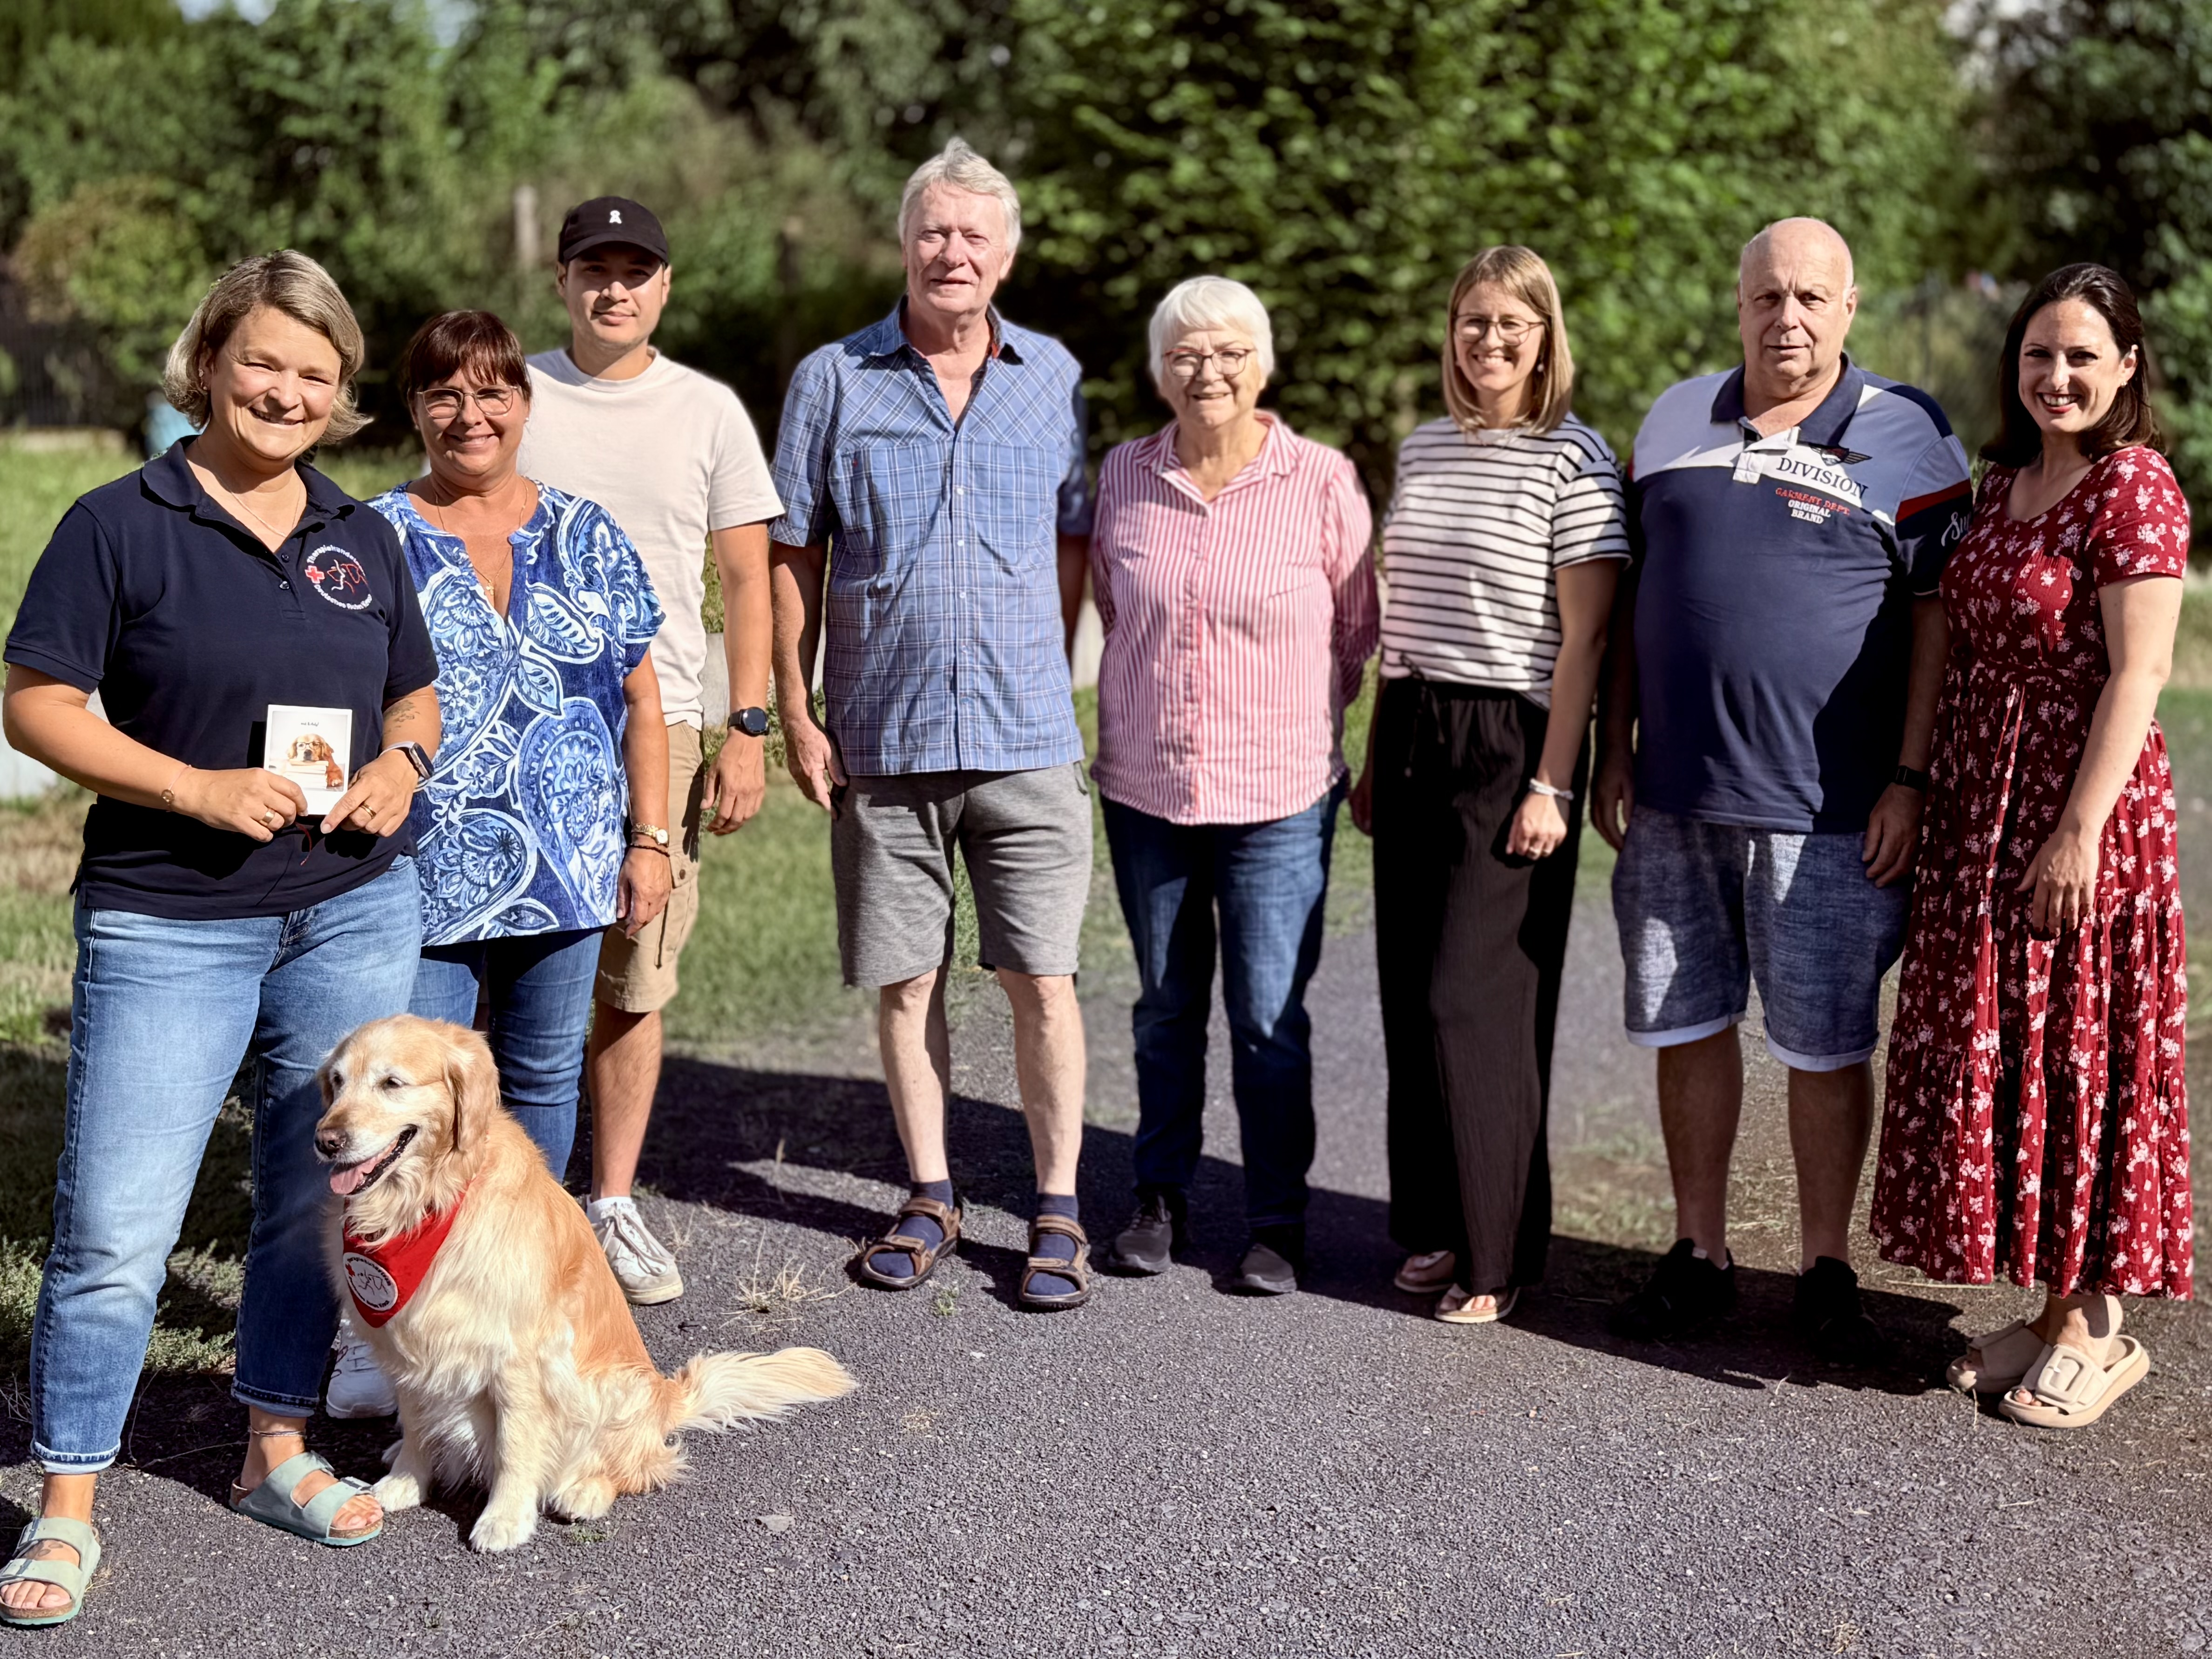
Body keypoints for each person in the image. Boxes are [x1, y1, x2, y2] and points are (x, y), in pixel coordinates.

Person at [0, 251, 441, 1625]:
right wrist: (190, 788)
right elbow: (37, 704)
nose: (287, 391)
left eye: (317, 375)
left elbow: (414, 698)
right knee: (119, 1226)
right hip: (169, 919)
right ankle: (65, 1501)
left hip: (351, 908)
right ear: (210, 362)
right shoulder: (115, 521)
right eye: (265, 362)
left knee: (316, 1203)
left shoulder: (362, 535)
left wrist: (402, 774)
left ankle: (275, 1447)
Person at [1591, 218, 1972, 1360]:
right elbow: (1626, 593)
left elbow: (1934, 622)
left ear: (1849, 308)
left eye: (1811, 297)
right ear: (1738, 301)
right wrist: (1613, 747)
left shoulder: (1909, 435)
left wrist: (1910, 776)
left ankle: (1822, 1266)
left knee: (1821, 1042)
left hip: (1832, 808)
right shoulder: (1668, 418)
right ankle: (1698, 1251)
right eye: (1767, 297)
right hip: (1671, 796)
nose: (1787, 319)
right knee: (1687, 1019)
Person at [769, 138, 1097, 1309]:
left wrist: (1047, 671)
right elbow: (792, 549)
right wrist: (794, 712)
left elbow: (1073, 543)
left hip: (1026, 744)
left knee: (1042, 981)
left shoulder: (1052, 377)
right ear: (904, 245)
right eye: (932, 232)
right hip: (882, 738)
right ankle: (930, 1194)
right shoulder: (834, 379)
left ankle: (1056, 1210)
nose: (950, 252)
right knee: (905, 984)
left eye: (973, 235)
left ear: (1005, 255)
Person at [1873, 264, 2192, 1428]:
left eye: (2078, 357)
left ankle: (2098, 1324)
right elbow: (1941, 639)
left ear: (2123, 368)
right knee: (2005, 1039)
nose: (2055, 377)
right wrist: (1915, 779)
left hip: (2077, 810)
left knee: (2080, 1049)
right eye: (2036, 355)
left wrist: (2075, 833)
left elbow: (2139, 671)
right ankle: (2053, 1308)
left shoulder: (2132, 487)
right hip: (1978, 803)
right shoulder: (1998, 481)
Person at [1348, 246, 1629, 1324]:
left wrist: (1554, 781)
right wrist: (1377, 753)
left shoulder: (1575, 461)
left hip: (1511, 740)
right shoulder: (1423, 447)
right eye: (1472, 322)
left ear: (1545, 336)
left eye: (1512, 324)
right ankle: (1434, 1225)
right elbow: (1399, 625)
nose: (1490, 341)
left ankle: (1496, 1256)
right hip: (1416, 725)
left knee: (1477, 999)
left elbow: (1586, 639)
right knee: (1409, 990)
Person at [514, 196, 784, 1306]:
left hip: (658, 723)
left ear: (664, 288)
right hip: (518, 717)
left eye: (635, 271)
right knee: (500, 968)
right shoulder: (512, 393)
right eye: (593, 269)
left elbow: (744, 579)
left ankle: (611, 1204)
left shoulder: (706, 410)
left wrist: (748, 730)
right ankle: (495, 1204)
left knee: (633, 973)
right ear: (562, 282)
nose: (612, 289)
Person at [1090, 277, 1377, 1296]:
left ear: (1260, 364)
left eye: (1226, 353)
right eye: (1182, 354)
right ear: (1158, 369)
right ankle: (1157, 1197)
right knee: (1167, 1006)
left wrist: (1297, 725)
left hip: (1279, 794)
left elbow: (1355, 634)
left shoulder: (1321, 481)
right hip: (1147, 789)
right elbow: (1112, 614)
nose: (1205, 371)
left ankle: (1275, 1222)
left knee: (1265, 1016)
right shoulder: (1122, 476)